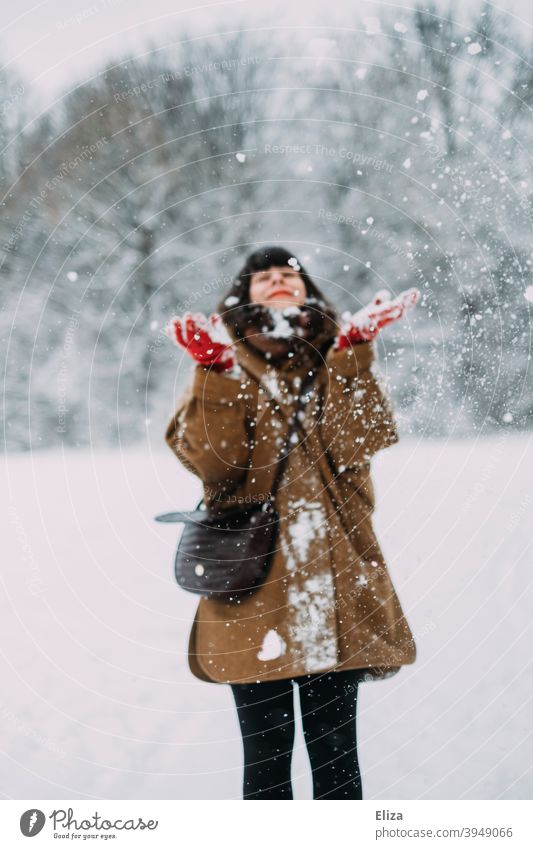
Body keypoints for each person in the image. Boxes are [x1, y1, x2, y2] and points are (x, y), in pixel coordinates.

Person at [164, 246, 419, 799]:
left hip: (330, 587)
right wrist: (215, 374)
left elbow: (359, 442)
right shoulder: (223, 359)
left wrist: (354, 354)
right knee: (266, 758)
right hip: (251, 589)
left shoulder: (336, 355)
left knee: (336, 759)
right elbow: (215, 465)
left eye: (290, 275)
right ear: (245, 294)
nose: (279, 281)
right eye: (266, 277)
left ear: (307, 292)